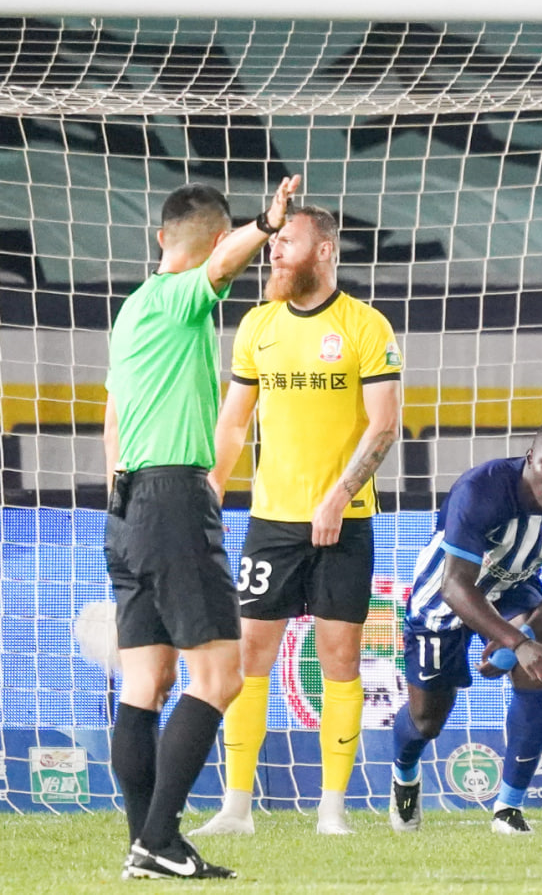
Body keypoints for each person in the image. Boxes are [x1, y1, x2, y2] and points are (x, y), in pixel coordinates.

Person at [104, 174, 299, 880]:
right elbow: (217, 267)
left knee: (145, 684)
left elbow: (113, 419)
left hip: (125, 506)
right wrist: (267, 225)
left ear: (159, 236)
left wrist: (125, 501)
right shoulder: (180, 297)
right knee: (221, 677)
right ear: (217, 243)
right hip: (172, 501)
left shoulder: (129, 314)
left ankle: (145, 846)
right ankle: (159, 839)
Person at [192, 205, 404, 836]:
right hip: (272, 522)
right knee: (248, 657)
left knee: (340, 658)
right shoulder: (257, 325)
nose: (275, 252)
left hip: (345, 519)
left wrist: (340, 495)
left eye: (287, 242)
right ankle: (236, 809)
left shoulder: (366, 326)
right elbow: (233, 422)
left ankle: (332, 810)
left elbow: (384, 423)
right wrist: (212, 488)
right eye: (274, 243)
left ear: (325, 251)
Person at [388, 413, 542, 835]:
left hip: (514, 589)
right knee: (428, 721)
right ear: (530, 458)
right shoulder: (481, 489)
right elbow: (455, 587)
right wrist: (516, 641)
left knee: (536, 672)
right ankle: (404, 774)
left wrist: (526, 639)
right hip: (446, 596)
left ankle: (508, 809)